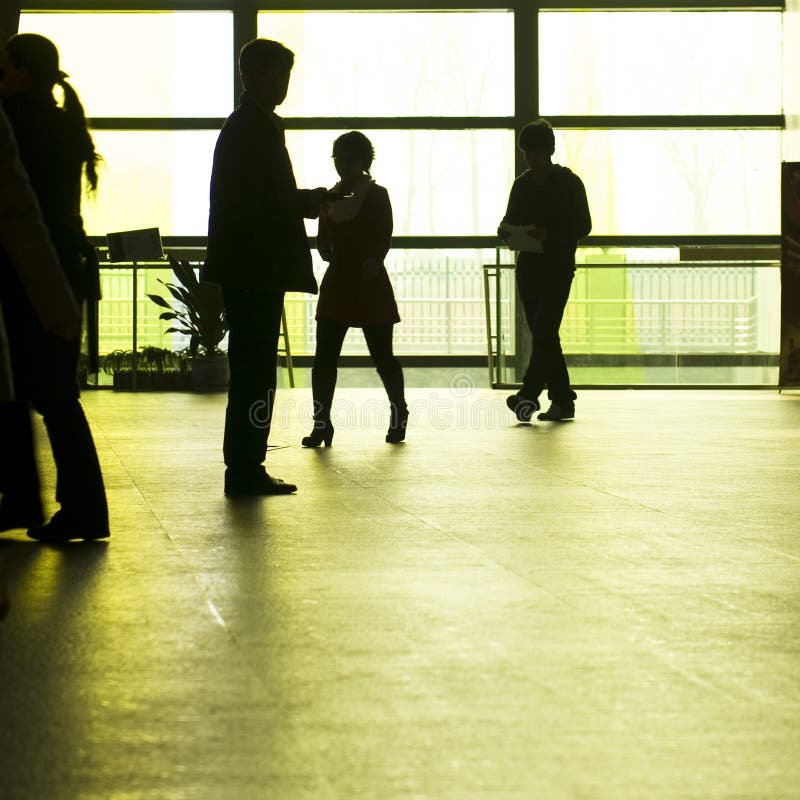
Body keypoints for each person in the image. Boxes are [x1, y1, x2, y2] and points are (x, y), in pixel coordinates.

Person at [205, 38, 327, 496]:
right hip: (255, 266)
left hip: (247, 266)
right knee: (256, 367)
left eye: (286, 76)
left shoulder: (248, 126)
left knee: (252, 366)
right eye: (276, 75)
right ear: (253, 76)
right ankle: (244, 465)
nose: (283, 84)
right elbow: (258, 201)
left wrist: (301, 201)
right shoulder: (253, 129)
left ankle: (244, 463)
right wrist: (303, 203)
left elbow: (250, 198)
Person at [0, 33, 109, 542]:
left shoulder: (21, 123)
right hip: (64, 266)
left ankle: (66, 506)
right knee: (48, 390)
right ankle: (55, 504)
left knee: (47, 392)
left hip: (37, 274)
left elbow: (22, 213)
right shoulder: (58, 118)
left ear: (20, 72)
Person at [301, 131, 406, 448]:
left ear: (363, 161)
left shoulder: (375, 195)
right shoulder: (329, 197)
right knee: (324, 359)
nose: (342, 165)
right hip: (343, 280)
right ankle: (322, 422)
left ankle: (398, 411)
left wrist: (375, 258)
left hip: (368, 281)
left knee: (382, 356)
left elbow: (383, 233)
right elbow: (323, 237)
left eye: (348, 159)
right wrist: (323, 248)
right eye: (339, 159)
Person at [498, 118, 591, 422]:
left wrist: (547, 234)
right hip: (530, 267)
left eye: (536, 152)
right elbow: (510, 218)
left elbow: (583, 225)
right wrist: (506, 230)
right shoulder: (523, 185)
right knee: (543, 334)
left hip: (555, 267)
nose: (531, 158)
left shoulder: (568, 183)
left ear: (549, 151)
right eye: (528, 153)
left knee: (544, 331)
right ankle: (535, 398)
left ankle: (554, 397)